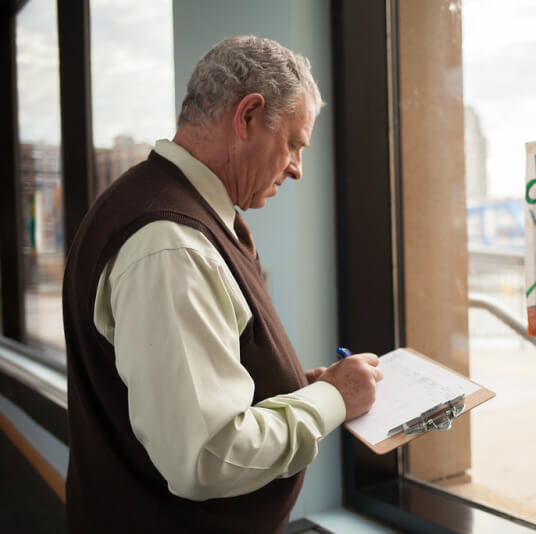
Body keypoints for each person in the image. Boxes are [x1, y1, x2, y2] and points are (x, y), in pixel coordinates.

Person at [62, 36, 383, 534]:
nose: (298, 168)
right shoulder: (171, 245)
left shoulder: (159, 206)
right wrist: (334, 400)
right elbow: (207, 454)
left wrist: (301, 392)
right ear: (248, 116)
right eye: (295, 143)